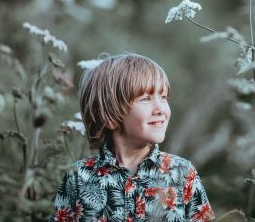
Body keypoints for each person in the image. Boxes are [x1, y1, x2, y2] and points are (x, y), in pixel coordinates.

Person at [49, 53, 214, 222]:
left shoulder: (183, 173)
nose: (160, 108)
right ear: (109, 117)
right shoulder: (78, 177)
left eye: (163, 97)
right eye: (145, 98)